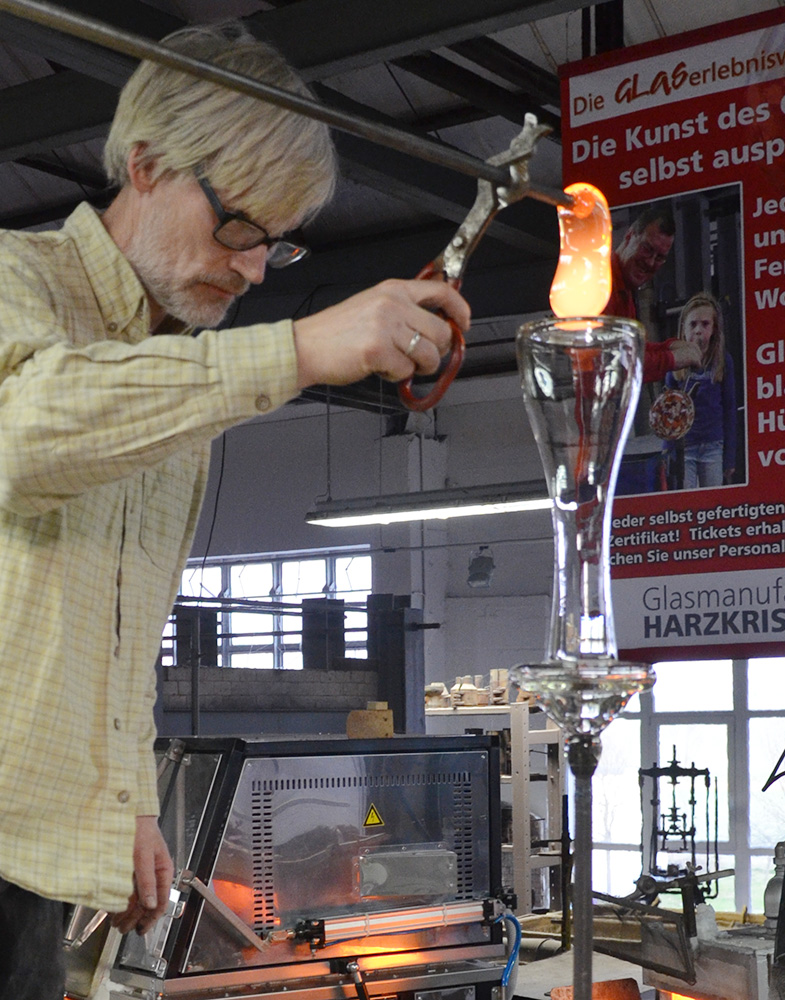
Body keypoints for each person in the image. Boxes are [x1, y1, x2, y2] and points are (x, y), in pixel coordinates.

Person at [0, 22, 469, 998]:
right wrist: (296, 351)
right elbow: (28, 430)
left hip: (41, 866)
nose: (254, 270)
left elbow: (120, 635)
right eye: (239, 228)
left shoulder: (181, 400)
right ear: (147, 165)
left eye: (277, 244)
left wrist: (124, 804)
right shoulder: (17, 282)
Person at [604, 202, 700, 378]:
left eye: (660, 257)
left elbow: (631, 349)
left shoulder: (623, 290)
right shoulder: (602, 285)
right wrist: (672, 358)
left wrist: (670, 346)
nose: (650, 262)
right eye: (647, 249)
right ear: (630, 236)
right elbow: (617, 361)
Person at [663, 292, 738, 489]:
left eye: (705, 324)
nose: (698, 331)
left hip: (713, 445)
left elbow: (730, 409)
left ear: (714, 329)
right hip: (684, 447)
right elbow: (667, 413)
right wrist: (668, 452)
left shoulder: (723, 362)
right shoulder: (675, 364)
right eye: (693, 324)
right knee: (686, 501)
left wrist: (730, 457)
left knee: (712, 502)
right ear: (684, 329)